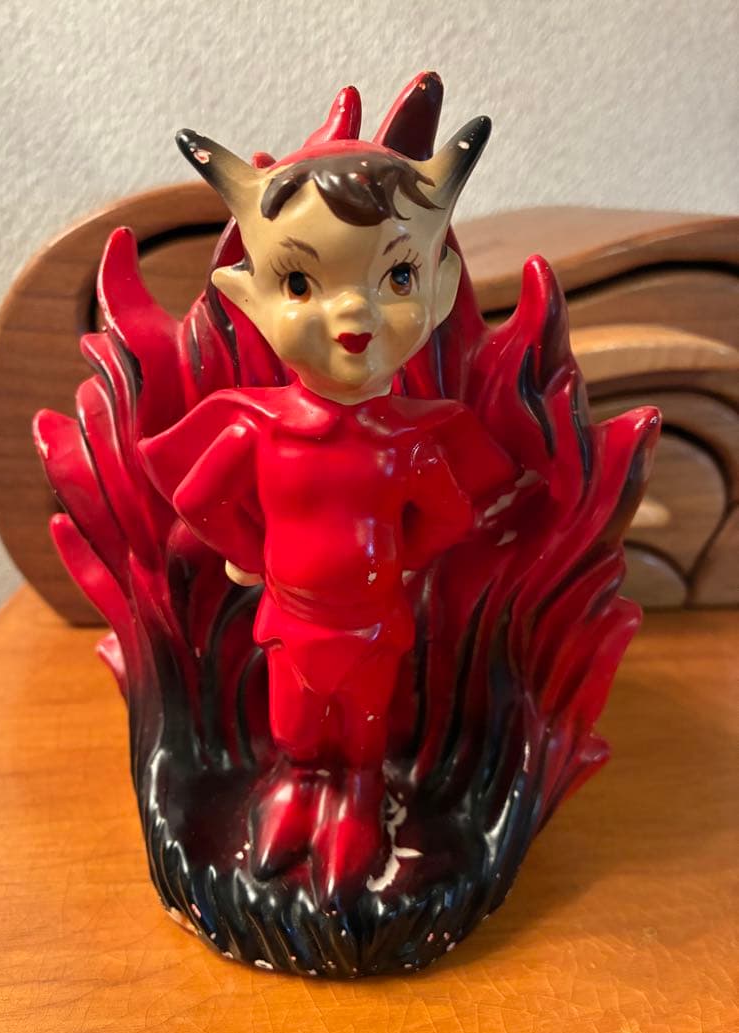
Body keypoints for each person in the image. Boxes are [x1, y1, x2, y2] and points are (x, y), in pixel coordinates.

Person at [140, 78, 519, 901]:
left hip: (374, 624)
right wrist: (255, 555)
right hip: (292, 620)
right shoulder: (258, 430)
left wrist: (399, 564)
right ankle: (296, 791)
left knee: (365, 731)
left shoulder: (409, 443)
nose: (354, 315)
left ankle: (357, 802)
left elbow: (450, 518)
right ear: (248, 298)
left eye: (397, 278)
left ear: (440, 291)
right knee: (295, 727)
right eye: (301, 284)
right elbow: (199, 501)